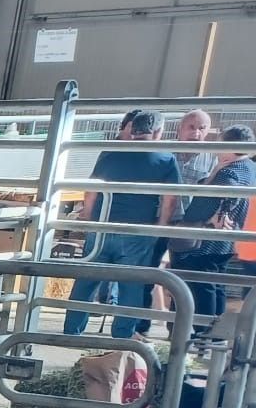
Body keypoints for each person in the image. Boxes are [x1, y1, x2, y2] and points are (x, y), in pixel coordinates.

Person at [64, 108, 183, 339]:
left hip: (102, 227)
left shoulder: (111, 152)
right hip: (136, 231)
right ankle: (122, 336)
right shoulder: (166, 158)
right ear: (158, 132)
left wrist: (88, 217)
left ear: (133, 129)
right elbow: (171, 199)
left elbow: (92, 190)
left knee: (86, 280)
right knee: (132, 285)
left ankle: (71, 331)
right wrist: (160, 226)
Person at [170, 124, 255, 326]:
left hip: (204, 240)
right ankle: (214, 333)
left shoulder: (230, 173)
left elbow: (229, 190)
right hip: (226, 239)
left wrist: (220, 213)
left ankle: (202, 331)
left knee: (201, 286)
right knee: (215, 284)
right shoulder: (248, 167)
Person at [175, 108, 217, 185]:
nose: (196, 133)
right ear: (179, 128)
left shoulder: (213, 157)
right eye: (191, 127)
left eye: (201, 128)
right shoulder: (164, 151)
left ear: (207, 131)